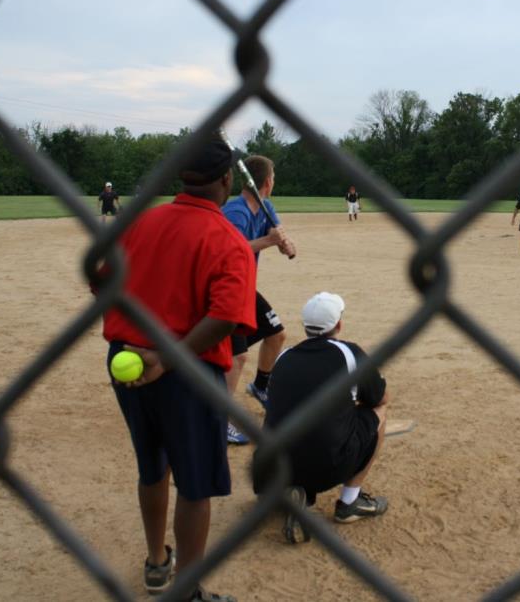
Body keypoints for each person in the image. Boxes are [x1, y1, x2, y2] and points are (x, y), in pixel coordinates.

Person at [99, 134, 255, 602]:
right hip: (186, 369)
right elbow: (225, 318)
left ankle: (156, 563)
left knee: (152, 468)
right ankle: (186, 591)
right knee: (195, 484)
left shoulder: (139, 222)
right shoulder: (229, 239)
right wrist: (167, 356)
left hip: (127, 363)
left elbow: (100, 280)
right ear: (226, 179)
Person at [260, 292, 389, 527]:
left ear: (304, 326)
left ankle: (291, 489)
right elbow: (380, 397)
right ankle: (350, 502)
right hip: (327, 465)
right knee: (379, 411)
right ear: (338, 325)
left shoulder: (283, 356)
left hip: (269, 469)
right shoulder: (349, 353)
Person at [221, 155, 296, 444]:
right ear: (266, 182)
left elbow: (278, 235)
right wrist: (270, 240)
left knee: (276, 334)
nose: (274, 182)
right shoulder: (236, 211)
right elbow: (232, 251)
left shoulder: (265, 207)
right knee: (238, 356)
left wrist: (285, 243)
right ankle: (219, 418)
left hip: (245, 289)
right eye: (273, 177)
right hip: (226, 289)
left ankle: (261, 386)